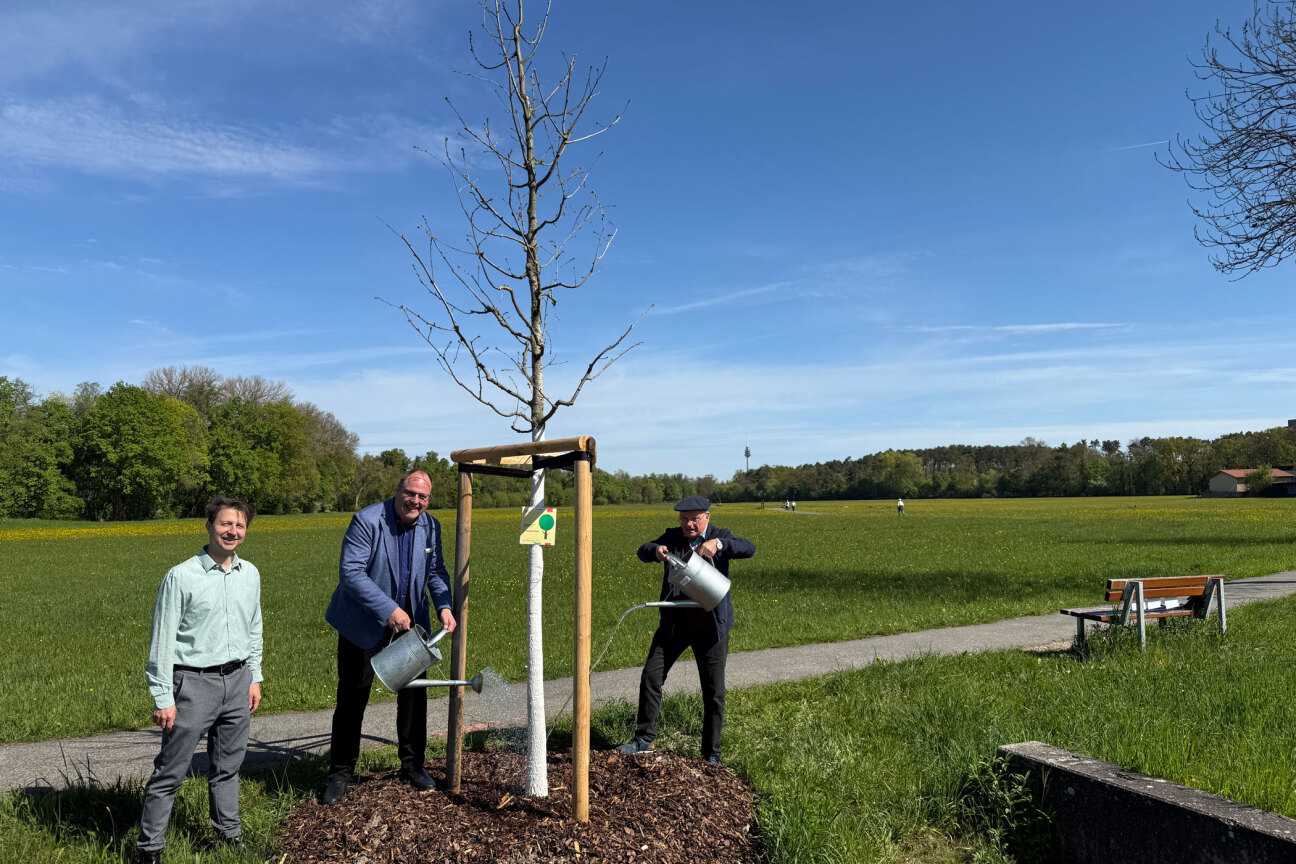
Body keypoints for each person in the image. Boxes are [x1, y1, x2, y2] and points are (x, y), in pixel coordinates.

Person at [136, 496, 263, 864]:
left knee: (227, 768)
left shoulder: (250, 574)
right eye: (225, 524)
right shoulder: (181, 576)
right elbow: (162, 642)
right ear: (209, 526)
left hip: (238, 681)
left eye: (239, 526)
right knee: (170, 772)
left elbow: (254, 628)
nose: (232, 531)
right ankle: (150, 849)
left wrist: (254, 676)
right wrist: (163, 697)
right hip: (193, 685)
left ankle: (229, 837)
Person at [321, 470, 457, 804]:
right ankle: (340, 773)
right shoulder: (367, 520)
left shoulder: (431, 526)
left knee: (413, 698)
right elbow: (351, 573)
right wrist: (388, 610)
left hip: (410, 628)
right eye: (410, 493)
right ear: (398, 490)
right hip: (363, 625)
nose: (416, 501)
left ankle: (413, 766)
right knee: (353, 698)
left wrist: (443, 605)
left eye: (423, 497)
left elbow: (436, 571)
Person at [616, 496, 755, 766]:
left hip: (710, 627)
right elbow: (642, 550)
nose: (688, 524)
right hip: (675, 625)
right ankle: (645, 739)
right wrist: (656, 550)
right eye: (683, 519)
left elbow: (749, 548)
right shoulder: (673, 537)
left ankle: (711, 754)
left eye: (694, 519)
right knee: (651, 677)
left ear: (707, 517)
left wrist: (719, 545)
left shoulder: (719, 536)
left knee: (713, 692)